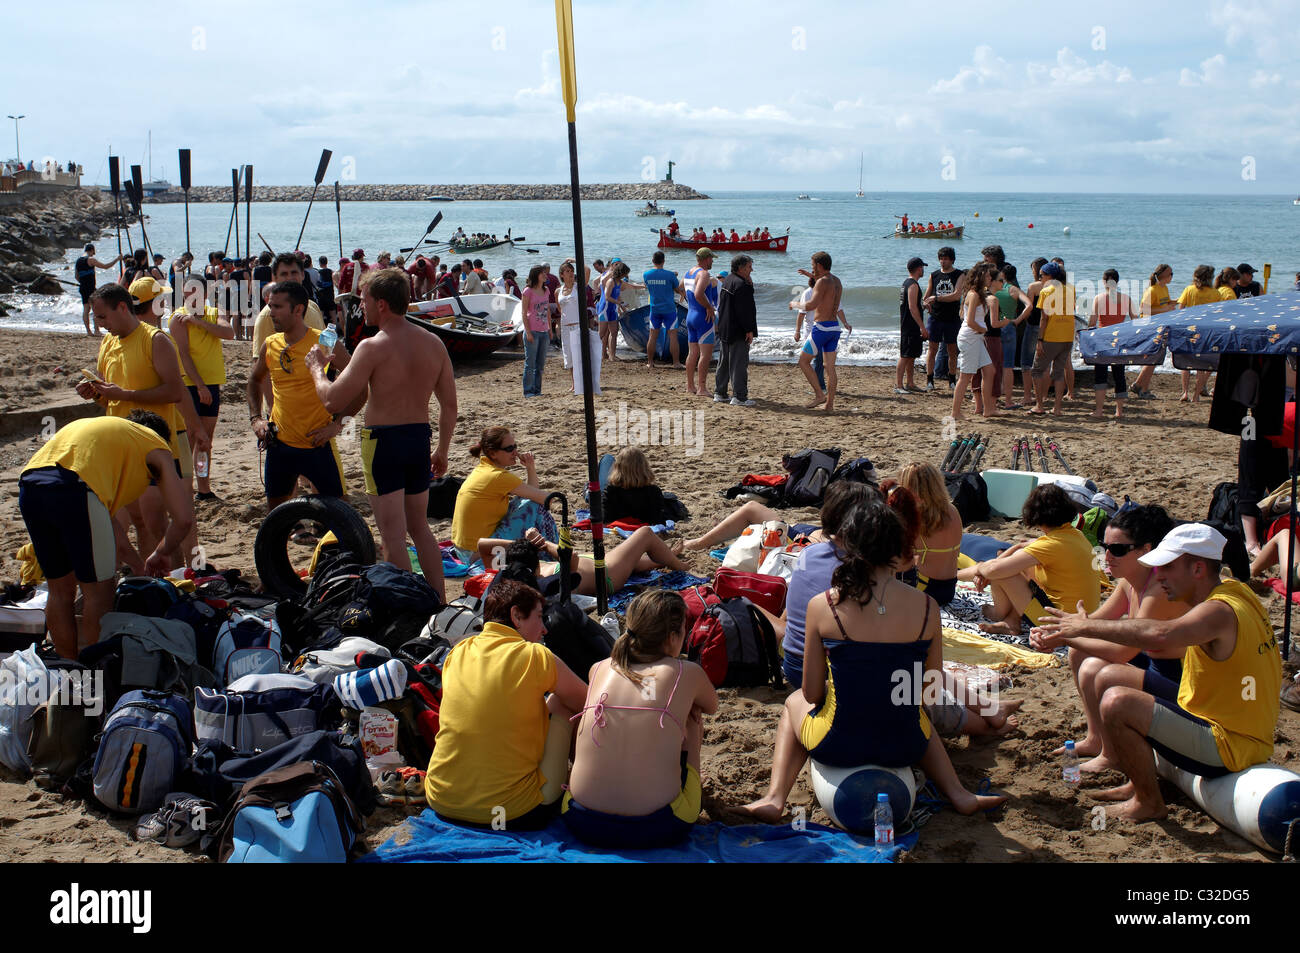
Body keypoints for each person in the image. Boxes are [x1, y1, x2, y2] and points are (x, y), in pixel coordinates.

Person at [737, 499, 1009, 822]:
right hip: (905, 745)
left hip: (838, 743)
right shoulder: (927, 608)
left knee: (794, 702)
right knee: (913, 712)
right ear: (899, 550)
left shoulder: (823, 606)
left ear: (848, 547)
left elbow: (811, 694)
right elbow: (931, 694)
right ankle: (960, 794)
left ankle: (774, 798)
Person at [1032, 524, 1281, 820]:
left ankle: (1148, 802)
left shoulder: (1218, 611)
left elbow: (1159, 634)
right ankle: (1133, 779)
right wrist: (1069, 632)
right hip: (1226, 717)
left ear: (1198, 569)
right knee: (1110, 676)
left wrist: (1081, 627)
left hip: (1231, 744)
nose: (1158, 576)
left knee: (1117, 702)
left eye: (1167, 567)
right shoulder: (1234, 589)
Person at [306, 268, 456, 600]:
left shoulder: (373, 346)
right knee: (420, 528)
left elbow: (332, 398)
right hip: (419, 438)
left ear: (383, 304)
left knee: (392, 535)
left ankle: (407, 604)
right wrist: (442, 449)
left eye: (365, 300)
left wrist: (317, 368)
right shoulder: (434, 344)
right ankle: (439, 599)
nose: (363, 307)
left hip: (383, 443)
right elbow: (449, 407)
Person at [19, 411, 195, 659]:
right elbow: (184, 518)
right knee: (100, 592)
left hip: (30, 484)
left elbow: (106, 523)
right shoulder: (156, 443)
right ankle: (94, 674)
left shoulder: (102, 434)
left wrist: (137, 562)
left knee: (60, 591)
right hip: (75, 489)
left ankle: (68, 670)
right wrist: (162, 552)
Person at [424, 580, 587, 829]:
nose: (544, 629)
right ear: (516, 616)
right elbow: (588, 703)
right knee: (562, 703)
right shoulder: (535, 656)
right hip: (513, 811)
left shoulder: (458, 651)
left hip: (442, 801)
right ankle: (589, 780)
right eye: (539, 617)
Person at [1033, 505, 1185, 773]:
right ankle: (1095, 739)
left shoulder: (1158, 591)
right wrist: (1056, 630)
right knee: (1079, 654)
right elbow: (1097, 623)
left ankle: (1111, 754)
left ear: (1145, 550)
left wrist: (1068, 637)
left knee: (1096, 667)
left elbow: (1121, 653)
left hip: (1175, 679)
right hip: (1150, 664)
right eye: (1104, 546)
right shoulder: (1130, 580)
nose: (1106, 556)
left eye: (1117, 550)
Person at [563, 590, 717, 848]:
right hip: (657, 826)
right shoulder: (686, 672)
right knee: (693, 714)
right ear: (671, 638)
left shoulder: (598, 668)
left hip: (579, 818)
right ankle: (689, 789)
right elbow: (711, 705)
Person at [79, 282, 207, 569]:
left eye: (102, 317)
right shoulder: (109, 343)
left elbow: (175, 392)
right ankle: (149, 582)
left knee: (157, 525)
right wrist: (96, 392)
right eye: (96, 318)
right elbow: (109, 398)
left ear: (122, 307)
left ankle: (176, 581)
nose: (99, 325)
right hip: (121, 447)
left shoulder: (156, 340)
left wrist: (122, 394)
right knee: (137, 522)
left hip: (155, 446)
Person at [246, 281, 351, 512]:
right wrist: (256, 419)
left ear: (298, 310)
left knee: (338, 515)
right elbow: (253, 380)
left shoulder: (325, 342)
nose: (270, 313)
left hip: (317, 444)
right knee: (276, 513)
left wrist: (337, 425)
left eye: (277, 307)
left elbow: (360, 387)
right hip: (279, 446)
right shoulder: (270, 344)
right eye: (270, 306)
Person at [960, 483, 1100, 635]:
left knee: (1005, 573)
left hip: (1060, 623)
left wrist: (978, 570)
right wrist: (1009, 553)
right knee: (1017, 565)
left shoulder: (1050, 545)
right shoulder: (1074, 535)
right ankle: (1012, 622)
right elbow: (1023, 549)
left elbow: (994, 569)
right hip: (1083, 616)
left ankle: (998, 614)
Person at [168, 278, 234, 501]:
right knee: (187, 439)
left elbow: (229, 333)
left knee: (206, 441)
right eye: (187, 292)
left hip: (212, 382)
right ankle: (182, 487)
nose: (191, 297)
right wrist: (200, 385)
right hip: (190, 384)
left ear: (205, 293)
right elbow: (184, 355)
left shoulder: (215, 312)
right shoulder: (177, 318)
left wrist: (199, 322)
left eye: (195, 292)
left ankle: (203, 489)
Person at [450, 427, 559, 561]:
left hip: (463, 550)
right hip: (477, 554)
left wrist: (530, 466)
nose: (515, 452)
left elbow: (534, 494)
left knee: (527, 503)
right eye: (509, 449)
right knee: (534, 507)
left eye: (515, 446)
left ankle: (552, 554)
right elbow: (545, 500)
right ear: (493, 453)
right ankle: (555, 556)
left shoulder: (483, 469)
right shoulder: (498, 476)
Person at [897, 462, 962, 607]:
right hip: (948, 588)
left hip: (925, 590)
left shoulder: (917, 517)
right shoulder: (952, 510)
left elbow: (900, 560)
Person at [791, 252, 848, 412]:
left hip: (821, 328)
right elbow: (823, 283)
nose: (812, 269)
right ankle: (829, 405)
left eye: (813, 266)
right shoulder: (836, 281)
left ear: (820, 266)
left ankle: (819, 395)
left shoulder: (822, 282)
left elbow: (810, 305)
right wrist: (810, 275)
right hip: (834, 328)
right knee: (829, 368)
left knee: (803, 361)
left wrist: (794, 304)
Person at [951, 262, 1001, 420]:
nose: (989, 278)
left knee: (990, 370)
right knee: (965, 376)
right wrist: (984, 330)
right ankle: (955, 413)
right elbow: (970, 320)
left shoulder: (979, 293)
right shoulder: (974, 294)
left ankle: (988, 409)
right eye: (987, 276)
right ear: (980, 276)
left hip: (976, 337)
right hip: (970, 337)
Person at [1088, 268, 1139, 419]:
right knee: (1119, 375)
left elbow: (1092, 322)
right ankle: (1119, 411)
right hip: (1120, 339)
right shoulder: (1126, 299)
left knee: (1101, 375)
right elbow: (1135, 320)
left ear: (1104, 282)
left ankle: (1099, 410)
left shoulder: (1099, 298)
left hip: (1103, 339)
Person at [1029, 261, 1076, 416]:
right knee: (1058, 372)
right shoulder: (1071, 289)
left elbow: (1044, 319)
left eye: (1042, 275)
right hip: (1067, 335)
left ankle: (1039, 405)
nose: (1040, 278)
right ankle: (1057, 408)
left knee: (1037, 370)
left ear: (1050, 276)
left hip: (1051, 336)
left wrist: (1040, 340)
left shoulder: (1046, 292)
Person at [714, 254, 758, 407]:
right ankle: (739, 396)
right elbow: (744, 311)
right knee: (739, 364)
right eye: (749, 267)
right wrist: (749, 330)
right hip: (738, 329)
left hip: (725, 327)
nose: (751, 269)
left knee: (724, 361)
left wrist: (750, 285)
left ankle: (720, 393)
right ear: (740, 267)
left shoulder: (728, 280)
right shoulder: (741, 285)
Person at [1130, 264, 1177, 399]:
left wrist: (1179, 301)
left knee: (1155, 359)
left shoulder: (1164, 288)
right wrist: (1165, 310)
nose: (1172, 276)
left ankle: (1142, 387)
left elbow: (1166, 303)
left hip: (1161, 327)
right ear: (1163, 275)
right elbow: (1143, 310)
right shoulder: (1152, 290)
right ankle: (1139, 386)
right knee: (1153, 358)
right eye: (1171, 274)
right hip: (1150, 327)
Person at [1175, 265, 1220, 402]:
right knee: (1201, 364)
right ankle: (1196, 396)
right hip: (1206, 331)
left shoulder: (1189, 290)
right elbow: (1217, 314)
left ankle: (1185, 393)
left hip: (1189, 329)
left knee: (1185, 363)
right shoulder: (1215, 293)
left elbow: (1181, 309)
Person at [923, 247, 963, 391]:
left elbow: (957, 295)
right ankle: (929, 379)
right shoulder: (933, 275)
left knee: (952, 350)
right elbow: (926, 295)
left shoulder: (959, 275)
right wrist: (925, 302)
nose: (943, 261)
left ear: (952, 260)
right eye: (941, 258)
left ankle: (952, 379)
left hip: (952, 318)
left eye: (946, 258)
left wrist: (937, 298)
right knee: (932, 349)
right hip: (935, 318)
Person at [558, 261, 601, 395]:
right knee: (569, 356)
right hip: (565, 326)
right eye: (568, 271)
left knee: (580, 355)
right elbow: (561, 309)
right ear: (562, 275)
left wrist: (574, 260)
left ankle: (582, 382)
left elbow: (587, 270)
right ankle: (573, 383)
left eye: (572, 271)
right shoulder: (558, 291)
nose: (571, 273)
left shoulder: (579, 287)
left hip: (578, 325)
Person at [600, 446, 674, 524]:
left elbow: (605, 518)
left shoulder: (611, 490)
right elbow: (658, 519)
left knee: (607, 459)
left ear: (617, 467)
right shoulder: (654, 491)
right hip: (642, 521)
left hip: (617, 520)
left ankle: (588, 491)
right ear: (644, 466)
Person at [683, 249, 718, 396]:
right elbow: (698, 294)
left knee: (693, 353)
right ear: (706, 258)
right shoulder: (704, 274)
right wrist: (709, 307)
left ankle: (690, 386)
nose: (712, 261)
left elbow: (680, 288)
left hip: (691, 314)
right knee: (705, 355)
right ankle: (702, 388)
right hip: (703, 317)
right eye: (711, 258)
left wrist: (689, 301)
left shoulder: (689, 272)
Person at [643, 251, 684, 369]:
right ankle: (676, 363)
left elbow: (648, 286)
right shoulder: (670, 275)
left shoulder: (646, 274)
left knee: (652, 336)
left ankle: (650, 362)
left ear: (652, 261)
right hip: (669, 310)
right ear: (664, 261)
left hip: (655, 309)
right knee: (673, 337)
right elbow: (677, 288)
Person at [75, 244, 123, 336]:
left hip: (83, 287)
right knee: (94, 308)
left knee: (86, 309)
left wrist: (83, 283)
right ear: (92, 250)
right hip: (90, 287)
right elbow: (105, 266)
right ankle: (96, 330)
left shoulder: (78, 261)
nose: (93, 254)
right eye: (93, 252)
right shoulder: (91, 259)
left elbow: (76, 276)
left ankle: (88, 331)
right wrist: (117, 259)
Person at [896, 256, 928, 394]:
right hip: (910, 325)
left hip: (908, 324)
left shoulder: (906, 283)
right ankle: (898, 385)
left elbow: (914, 305)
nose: (923, 270)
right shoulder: (913, 284)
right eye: (922, 268)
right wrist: (922, 326)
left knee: (911, 355)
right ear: (918, 268)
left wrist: (924, 305)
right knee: (905, 355)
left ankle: (910, 382)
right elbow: (912, 307)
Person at [520, 265, 551, 398]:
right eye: (542, 273)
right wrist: (528, 332)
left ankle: (537, 390)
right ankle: (528, 391)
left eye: (545, 273)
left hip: (544, 331)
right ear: (536, 275)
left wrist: (550, 329)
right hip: (532, 331)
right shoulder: (528, 291)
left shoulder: (546, 290)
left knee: (540, 364)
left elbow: (547, 310)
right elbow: (523, 312)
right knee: (530, 363)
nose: (545, 275)